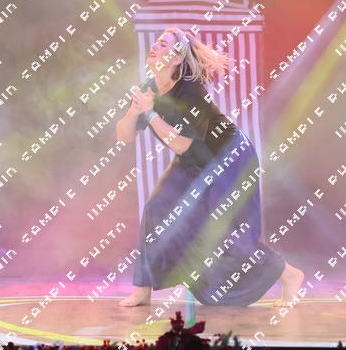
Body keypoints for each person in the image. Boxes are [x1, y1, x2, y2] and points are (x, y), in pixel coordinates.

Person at [115, 27, 304, 308]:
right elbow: (124, 136)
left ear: (177, 58)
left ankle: (289, 275)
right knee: (156, 209)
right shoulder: (148, 89)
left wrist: (150, 113)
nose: (155, 46)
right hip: (194, 161)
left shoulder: (191, 92)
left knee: (228, 232)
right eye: (156, 41)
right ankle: (143, 289)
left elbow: (181, 144)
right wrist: (134, 111)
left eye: (163, 44)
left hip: (229, 157)